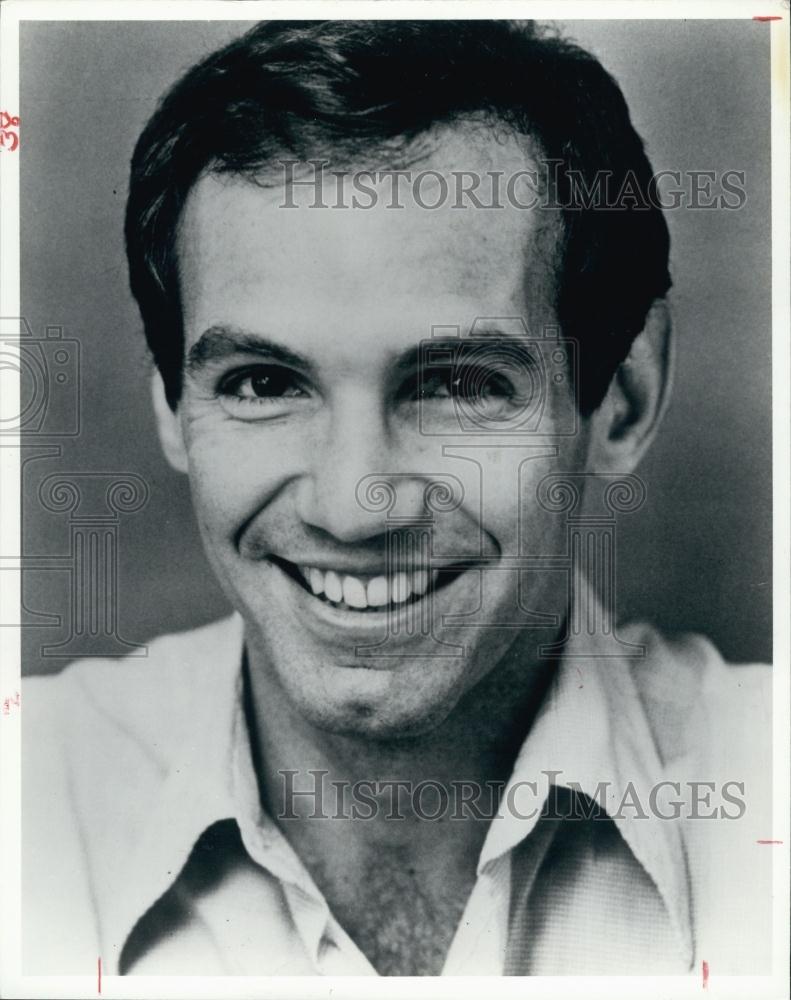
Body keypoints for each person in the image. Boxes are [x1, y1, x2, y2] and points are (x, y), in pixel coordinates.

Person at [23, 19, 772, 978]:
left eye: (457, 384)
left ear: (621, 398)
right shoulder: (33, 799)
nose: (352, 507)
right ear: (173, 405)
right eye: (262, 384)